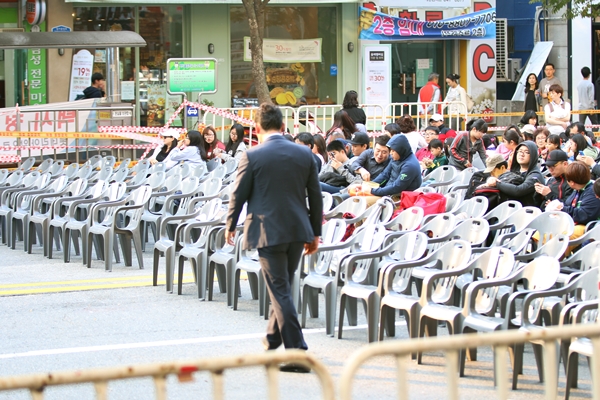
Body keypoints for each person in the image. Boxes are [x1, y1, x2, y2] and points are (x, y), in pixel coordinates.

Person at [226, 103, 322, 372]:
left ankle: (298, 352)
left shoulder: (252, 155)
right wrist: (315, 232)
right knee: (282, 287)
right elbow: (315, 196)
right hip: (297, 229)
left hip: (267, 230)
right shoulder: (304, 154)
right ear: (283, 126)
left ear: (256, 129)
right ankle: (272, 337)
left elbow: (238, 194)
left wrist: (230, 224)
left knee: (279, 290)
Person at [352, 134, 421, 203]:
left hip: (398, 198)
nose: (391, 153)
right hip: (388, 193)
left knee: (360, 201)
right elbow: (385, 175)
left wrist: (372, 190)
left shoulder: (409, 165)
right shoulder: (397, 157)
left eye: (393, 151)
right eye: (390, 150)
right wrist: (367, 185)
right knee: (354, 196)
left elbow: (397, 187)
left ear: (400, 150)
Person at [552, 162, 600, 245]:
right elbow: (568, 204)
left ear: (572, 182)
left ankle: (554, 256)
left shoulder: (592, 192)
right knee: (540, 233)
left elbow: (584, 215)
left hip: (585, 226)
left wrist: (562, 209)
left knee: (558, 237)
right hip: (571, 223)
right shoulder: (577, 190)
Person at [485, 141, 545, 207]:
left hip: (527, 212)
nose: (522, 154)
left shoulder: (535, 175)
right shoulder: (514, 171)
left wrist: (497, 183)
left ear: (533, 156)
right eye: (520, 151)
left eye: (527, 152)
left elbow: (518, 190)